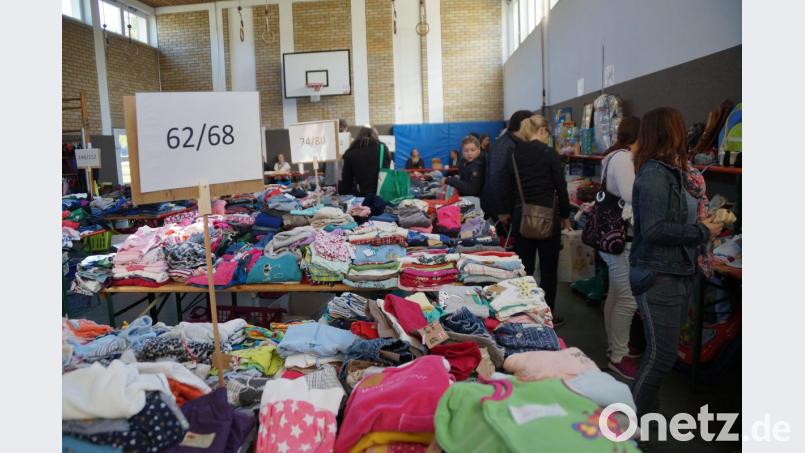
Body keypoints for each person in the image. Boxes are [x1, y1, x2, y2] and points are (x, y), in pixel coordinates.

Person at [629, 107, 723, 417]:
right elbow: (655, 229)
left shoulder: (676, 171)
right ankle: (627, 423)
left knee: (662, 353)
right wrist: (702, 231)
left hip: (676, 271)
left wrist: (706, 224)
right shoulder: (655, 174)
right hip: (660, 274)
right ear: (672, 132)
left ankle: (646, 414)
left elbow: (674, 217)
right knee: (662, 355)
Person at [499, 114, 571, 326]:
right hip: (548, 217)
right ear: (542, 131)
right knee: (548, 271)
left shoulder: (514, 153)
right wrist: (565, 215)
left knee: (524, 269)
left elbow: (506, 185)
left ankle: (524, 312)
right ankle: (547, 315)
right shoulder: (549, 154)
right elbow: (561, 187)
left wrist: (506, 210)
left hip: (522, 216)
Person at [596, 116, 641, 380]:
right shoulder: (624, 158)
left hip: (611, 237)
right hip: (620, 240)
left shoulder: (613, 156)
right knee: (627, 298)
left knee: (616, 294)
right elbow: (631, 195)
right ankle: (618, 356)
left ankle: (615, 346)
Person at [482, 110, 532, 216]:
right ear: (524, 126)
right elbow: (495, 179)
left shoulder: (513, 142)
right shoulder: (504, 145)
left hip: (509, 204)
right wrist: (501, 211)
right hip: (503, 209)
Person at [338, 127, 391, 196]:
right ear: (375, 135)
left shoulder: (351, 152)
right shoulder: (383, 148)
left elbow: (347, 181)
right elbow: (387, 171)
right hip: (382, 194)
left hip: (362, 196)